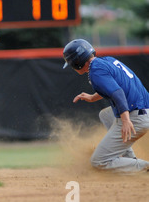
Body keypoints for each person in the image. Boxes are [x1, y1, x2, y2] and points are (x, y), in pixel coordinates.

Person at [63, 39, 149, 173]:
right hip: (143, 110)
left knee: (98, 162)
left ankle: (144, 167)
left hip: (135, 116)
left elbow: (118, 93)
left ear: (78, 62)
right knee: (106, 114)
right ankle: (130, 159)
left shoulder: (95, 71)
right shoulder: (107, 60)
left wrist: (126, 120)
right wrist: (93, 97)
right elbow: (115, 86)